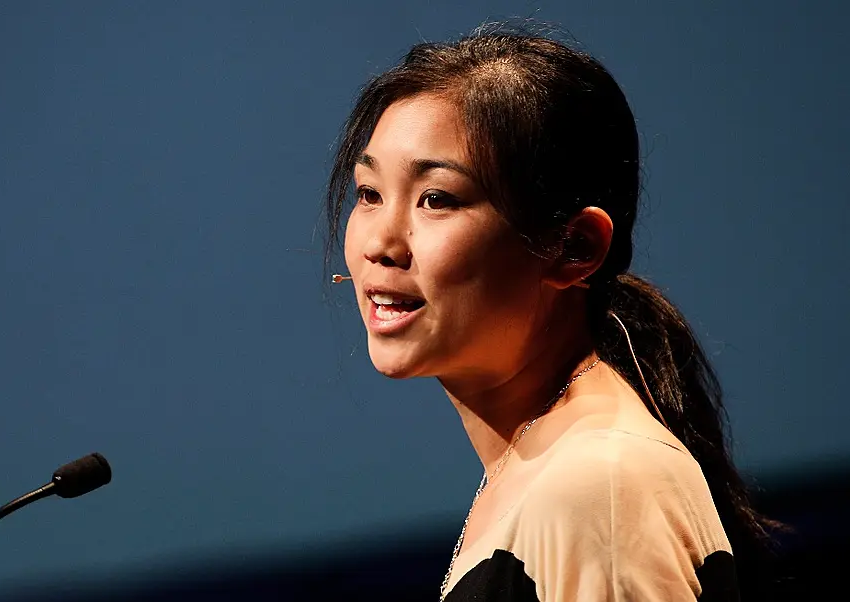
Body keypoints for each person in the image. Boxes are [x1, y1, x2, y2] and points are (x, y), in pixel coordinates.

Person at [324, 24, 775, 601]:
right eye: (369, 193)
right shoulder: (551, 471)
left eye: (437, 198)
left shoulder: (600, 482)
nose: (379, 244)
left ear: (575, 248)